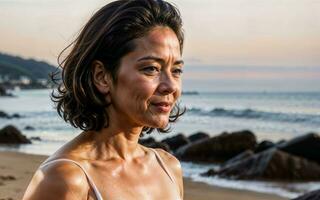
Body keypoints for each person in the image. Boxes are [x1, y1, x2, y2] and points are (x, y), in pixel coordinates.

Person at [22, 0, 185, 199]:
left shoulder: (168, 167)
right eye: (151, 68)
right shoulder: (66, 178)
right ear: (101, 76)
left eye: (176, 70)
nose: (171, 86)